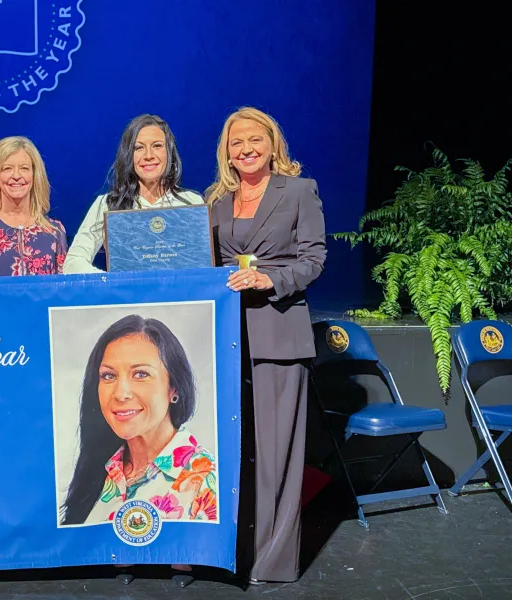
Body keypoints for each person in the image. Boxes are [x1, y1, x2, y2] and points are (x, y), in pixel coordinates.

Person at [206, 107, 326, 585]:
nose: (247, 148)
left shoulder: (299, 191)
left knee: (277, 454)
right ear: (227, 151)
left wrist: (269, 279)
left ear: (272, 143)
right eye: (237, 142)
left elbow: (314, 259)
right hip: (227, 338)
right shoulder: (217, 201)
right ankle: (231, 551)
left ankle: (273, 561)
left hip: (278, 333)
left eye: (256, 139)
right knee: (234, 453)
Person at [60, 314, 216, 587]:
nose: (121, 393)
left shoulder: (206, 479)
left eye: (140, 374)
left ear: (174, 388)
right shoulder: (102, 469)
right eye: (108, 375)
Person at [62, 114, 205, 274]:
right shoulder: (108, 204)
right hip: (127, 298)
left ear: (169, 152)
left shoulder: (192, 202)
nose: (148, 155)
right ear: (129, 155)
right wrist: (114, 284)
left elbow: (203, 265)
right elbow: (73, 263)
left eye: (157, 146)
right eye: (139, 148)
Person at [0, 136, 68, 277]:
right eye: (7, 168)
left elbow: (63, 291)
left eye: (24, 168)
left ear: (35, 175)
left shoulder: (54, 231)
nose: (16, 175)